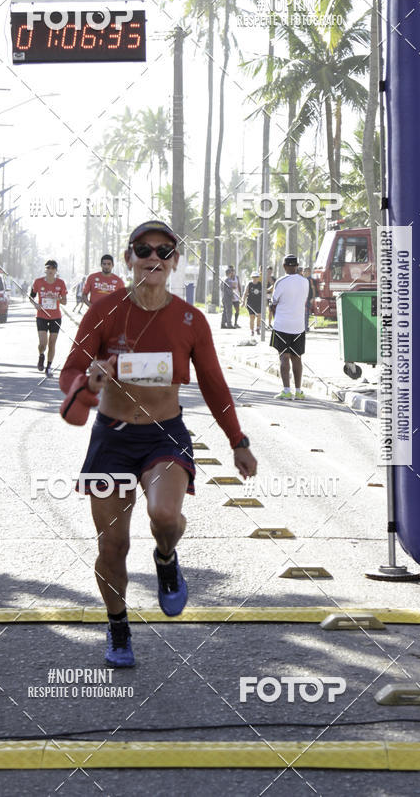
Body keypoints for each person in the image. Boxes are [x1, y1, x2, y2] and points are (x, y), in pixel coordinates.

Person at [59, 220, 257, 668]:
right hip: (111, 438)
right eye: (143, 250)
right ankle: (118, 629)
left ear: (174, 262)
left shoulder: (191, 320)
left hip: (164, 435)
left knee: (164, 515)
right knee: (112, 548)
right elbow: (72, 370)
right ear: (128, 258)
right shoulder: (105, 310)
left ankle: (166, 559)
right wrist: (84, 385)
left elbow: (214, 385)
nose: (153, 258)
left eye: (164, 251)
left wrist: (238, 441)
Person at [269, 255, 310, 400]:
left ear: (285, 266)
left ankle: (286, 390)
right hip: (299, 325)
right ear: (297, 266)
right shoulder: (305, 282)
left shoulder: (281, 281)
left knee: (284, 356)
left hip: (282, 325)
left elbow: (274, 301)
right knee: (297, 357)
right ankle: (299, 391)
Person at [30, 260, 67, 378]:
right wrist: (35, 304)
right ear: (45, 270)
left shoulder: (61, 283)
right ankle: (41, 355)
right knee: (43, 343)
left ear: (56, 271)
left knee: (52, 343)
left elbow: (65, 301)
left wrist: (57, 298)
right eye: (48, 268)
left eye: (53, 269)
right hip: (41, 316)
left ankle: (49, 367)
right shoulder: (38, 282)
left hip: (56, 317)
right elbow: (31, 297)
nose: (50, 271)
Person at [242, 271, 262, 337]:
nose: (255, 278)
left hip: (258, 303)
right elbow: (245, 293)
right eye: (253, 277)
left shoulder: (260, 284)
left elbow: (264, 293)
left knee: (259, 316)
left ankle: (258, 328)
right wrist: (243, 302)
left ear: (258, 278)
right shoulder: (249, 284)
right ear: (252, 277)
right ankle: (252, 330)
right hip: (251, 303)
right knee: (252, 317)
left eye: (256, 277)